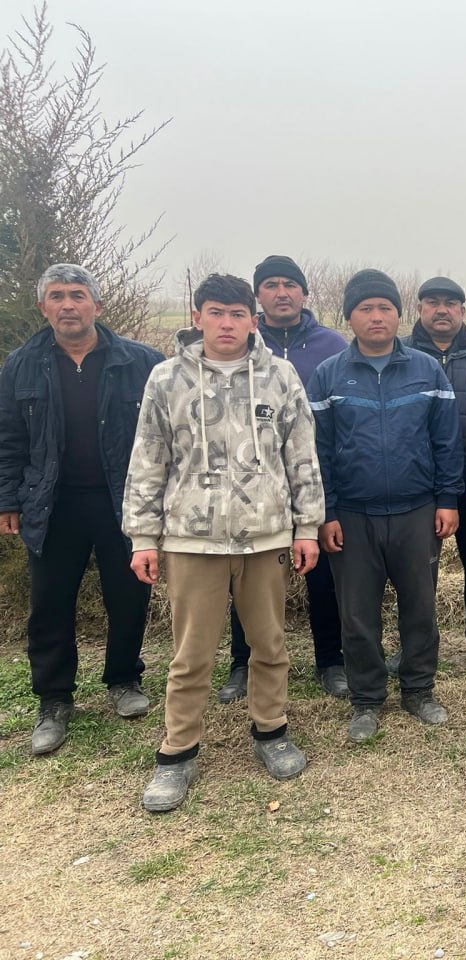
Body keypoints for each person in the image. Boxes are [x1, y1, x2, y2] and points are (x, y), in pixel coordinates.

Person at [124, 273, 323, 812]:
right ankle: (177, 752)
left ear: (253, 321)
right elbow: (148, 459)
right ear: (198, 318)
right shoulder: (166, 379)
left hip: (265, 536)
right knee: (191, 654)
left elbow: (302, 456)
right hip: (192, 540)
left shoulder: (280, 376)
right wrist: (143, 536)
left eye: (237, 314)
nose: (227, 324)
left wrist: (307, 527)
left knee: (270, 644)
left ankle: (271, 730)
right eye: (216, 313)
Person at [0, 264, 163, 755]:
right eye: (56, 296)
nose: (67, 304)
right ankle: (54, 699)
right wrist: (8, 498)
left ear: (97, 305)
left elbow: (166, 438)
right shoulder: (20, 366)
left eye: (77, 294)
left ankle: (124, 680)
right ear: (43, 307)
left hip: (122, 500)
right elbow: (8, 438)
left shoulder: (142, 362)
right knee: (50, 603)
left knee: (128, 596)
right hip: (52, 503)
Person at [309, 269, 463, 742]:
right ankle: (367, 699)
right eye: (366, 308)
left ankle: (419, 689)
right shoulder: (329, 375)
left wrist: (447, 499)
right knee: (357, 615)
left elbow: (447, 441)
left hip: (417, 512)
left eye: (385, 308)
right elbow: (318, 451)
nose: (376, 316)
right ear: (349, 317)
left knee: (420, 609)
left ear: (398, 314)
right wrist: (327, 512)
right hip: (353, 517)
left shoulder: (427, 370)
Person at [219, 255, 350, 703]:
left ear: (304, 294)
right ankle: (243, 663)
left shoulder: (332, 344)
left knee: (324, 576)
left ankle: (331, 660)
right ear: (258, 296)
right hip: (254, 484)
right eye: (271, 285)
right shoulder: (241, 345)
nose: (281, 292)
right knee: (246, 577)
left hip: (317, 476)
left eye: (290, 284)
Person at [399, 275, 466, 673]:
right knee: (417, 571)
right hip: (421, 485)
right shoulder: (400, 354)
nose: (442, 310)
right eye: (433, 302)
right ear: (419, 308)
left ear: (463, 310)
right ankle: (416, 644)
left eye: (450, 303)